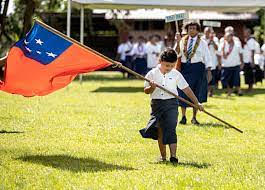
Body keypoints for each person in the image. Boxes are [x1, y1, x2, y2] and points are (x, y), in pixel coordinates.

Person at [139, 48, 203, 163]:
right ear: (160, 61)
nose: (169, 68)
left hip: (172, 104)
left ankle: (173, 156)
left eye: (171, 66)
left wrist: (196, 102)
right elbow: (146, 91)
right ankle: (163, 157)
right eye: (166, 65)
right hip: (157, 104)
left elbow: (187, 89)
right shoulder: (152, 73)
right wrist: (152, 87)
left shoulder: (176, 74)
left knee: (171, 128)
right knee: (159, 130)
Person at [174, 22, 212, 125]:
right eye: (190, 28)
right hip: (185, 68)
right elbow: (176, 53)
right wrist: (177, 42)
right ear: (187, 29)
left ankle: (194, 117)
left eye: (194, 28)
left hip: (197, 68)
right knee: (182, 91)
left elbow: (207, 56)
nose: (192, 30)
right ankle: (183, 116)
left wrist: (209, 70)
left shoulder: (202, 42)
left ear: (197, 30)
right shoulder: (182, 40)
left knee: (196, 91)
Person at [218, 32, 243, 96]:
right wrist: (219, 63)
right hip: (226, 65)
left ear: (232, 37)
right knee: (225, 79)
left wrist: (241, 62)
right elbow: (219, 54)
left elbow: (240, 53)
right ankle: (229, 91)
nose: (227, 38)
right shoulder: (222, 44)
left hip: (235, 64)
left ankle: (239, 91)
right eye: (226, 37)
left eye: (228, 36)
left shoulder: (237, 43)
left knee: (236, 79)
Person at [202, 27, 219, 97]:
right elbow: (204, 48)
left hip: (213, 62)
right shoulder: (202, 39)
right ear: (204, 32)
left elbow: (217, 48)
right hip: (204, 61)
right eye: (206, 32)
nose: (208, 33)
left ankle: (211, 92)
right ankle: (205, 91)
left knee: (212, 78)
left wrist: (213, 41)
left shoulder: (215, 39)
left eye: (209, 32)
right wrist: (209, 42)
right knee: (205, 78)